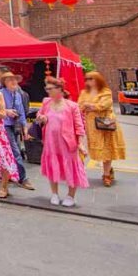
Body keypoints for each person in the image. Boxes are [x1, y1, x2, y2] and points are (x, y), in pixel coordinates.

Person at [38, 77, 88, 207]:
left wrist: (81, 143)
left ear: (59, 89)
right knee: (52, 165)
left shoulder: (72, 106)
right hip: (50, 141)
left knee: (71, 167)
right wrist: (41, 118)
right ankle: (54, 193)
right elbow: (40, 116)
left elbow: (79, 126)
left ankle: (71, 196)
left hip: (67, 142)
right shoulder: (46, 102)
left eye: (50, 89)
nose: (47, 91)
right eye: (46, 88)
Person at [78, 71, 126, 187]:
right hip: (92, 126)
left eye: (91, 78)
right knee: (97, 150)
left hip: (106, 124)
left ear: (98, 80)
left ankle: (106, 175)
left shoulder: (106, 91)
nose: (88, 81)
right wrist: (92, 106)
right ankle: (107, 170)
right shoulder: (84, 92)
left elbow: (104, 105)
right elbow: (80, 106)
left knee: (107, 150)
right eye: (87, 79)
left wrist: (90, 106)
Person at [0, 72, 35, 191]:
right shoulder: (0, 93)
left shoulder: (18, 94)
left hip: (15, 125)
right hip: (4, 125)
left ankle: (9, 174)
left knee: (13, 151)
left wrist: (25, 128)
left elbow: (21, 113)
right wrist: (6, 111)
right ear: (5, 82)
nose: (14, 82)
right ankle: (23, 178)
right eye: (10, 80)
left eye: (15, 79)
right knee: (15, 151)